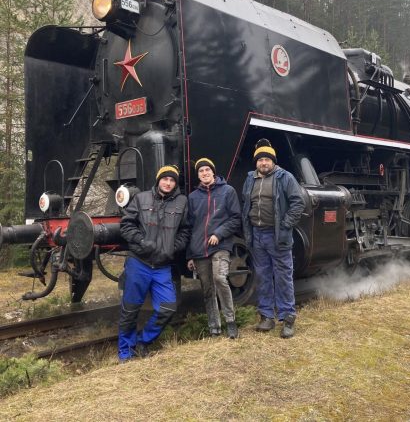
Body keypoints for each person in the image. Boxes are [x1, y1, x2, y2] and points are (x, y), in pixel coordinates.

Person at [118, 165, 190, 361]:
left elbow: (185, 230)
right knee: (130, 309)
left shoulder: (182, 202)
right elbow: (126, 225)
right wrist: (141, 241)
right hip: (139, 262)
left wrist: (173, 248)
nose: (168, 183)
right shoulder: (141, 198)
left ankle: (143, 342)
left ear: (175, 184)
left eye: (172, 180)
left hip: (162, 266)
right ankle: (125, 352)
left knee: (167, 308)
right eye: (165, 179)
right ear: (158, 180)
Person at [242, 139, 305, 338]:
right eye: (260, 159)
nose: (264, 162)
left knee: (283, 277)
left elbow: (298, 202)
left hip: (277, 236)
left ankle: (287, 319)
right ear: (256, 162)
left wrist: (286, 224)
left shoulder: (285, 177)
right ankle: (266, 316)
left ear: (273, 161)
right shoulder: (250, 178)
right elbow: (246, 204)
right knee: (262, 277)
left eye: (267, 159)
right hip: (257, 235)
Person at [187, 158, 241, 339]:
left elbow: (235, 219)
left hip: (220, 245)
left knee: (220, 278)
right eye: (201, 171)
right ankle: (214, 328)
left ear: (213, 172)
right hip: (199, 249)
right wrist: (190, 256)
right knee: (207, 288)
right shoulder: (193, 197)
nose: (204, 173)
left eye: (207, 170)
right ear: (198, 175)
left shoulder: (228, 191)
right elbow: (190, 227)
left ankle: (231, 322)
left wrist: (219, 233)